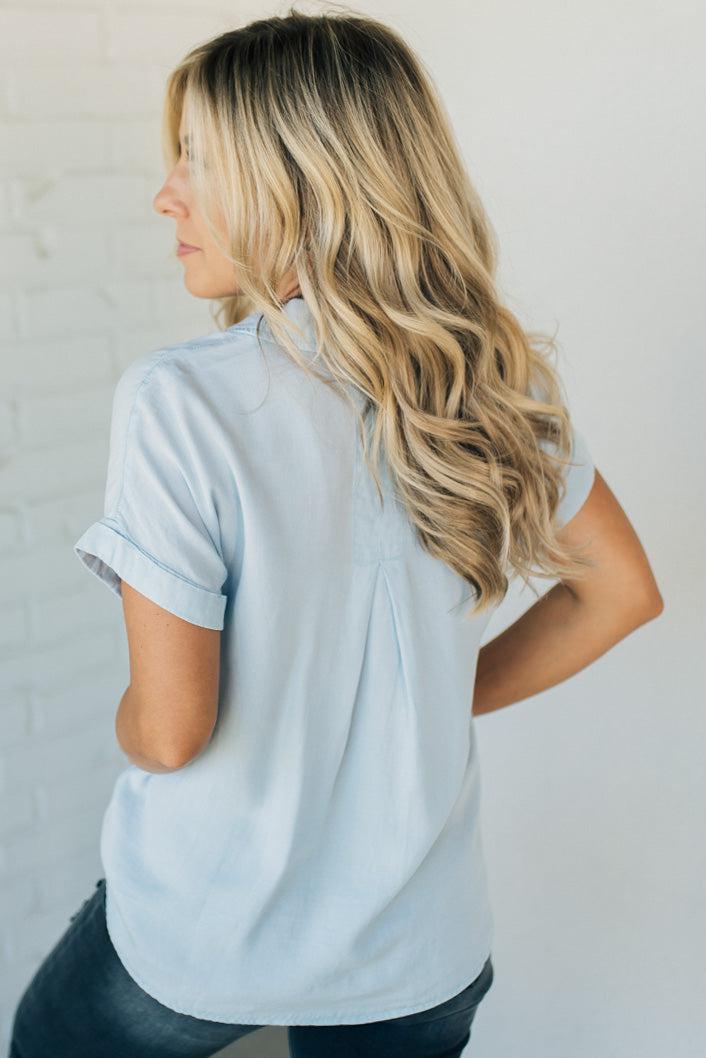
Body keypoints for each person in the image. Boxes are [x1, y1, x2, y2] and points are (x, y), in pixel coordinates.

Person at [9, 9, 663, 1058]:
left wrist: (128, 721)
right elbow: (623, 590)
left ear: (302, 182)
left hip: (202, 933)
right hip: (420, 944)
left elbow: (171, 730)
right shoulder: (487, 383)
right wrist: (431, 696)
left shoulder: (182, 400)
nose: (164, 193)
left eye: (199, 159)